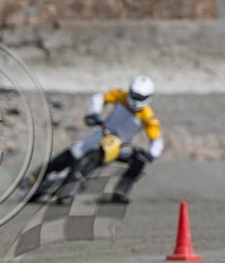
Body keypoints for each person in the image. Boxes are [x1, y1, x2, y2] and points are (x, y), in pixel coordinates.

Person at [32, 75, 164, 204]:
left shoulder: (148, 117)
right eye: (134, 95)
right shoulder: (120, 95)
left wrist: (152, 154)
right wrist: (93, 113)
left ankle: (121, 192)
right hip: (104, 133)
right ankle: (36, 177)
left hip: (121, 146)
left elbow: (156, 139)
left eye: (140, 97)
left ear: (148, 98)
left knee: (139, 161)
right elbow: (99, 98)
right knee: (75, 151)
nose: (135, 100)